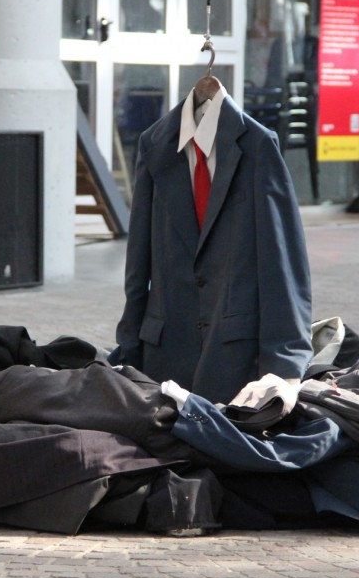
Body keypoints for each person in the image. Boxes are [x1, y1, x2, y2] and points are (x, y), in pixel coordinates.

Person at [111, 81, 314, 405]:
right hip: (164, 354)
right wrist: (128, 349)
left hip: (235, 356)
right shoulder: (154, 144)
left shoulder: (258, 144)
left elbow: (282, 262)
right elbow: (138, 257)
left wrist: (285, 364)